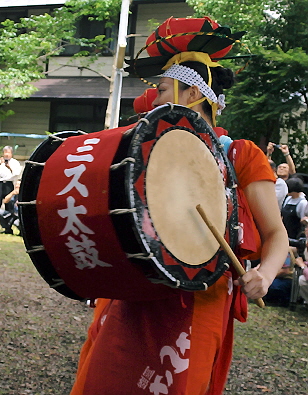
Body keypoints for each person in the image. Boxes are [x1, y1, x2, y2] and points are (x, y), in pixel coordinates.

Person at [70, 17, 288, 395]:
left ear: (192, 94)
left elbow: (276, 233)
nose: (153, 99)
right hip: (138, 290)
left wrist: (265, 275)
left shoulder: (240, 154)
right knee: (107, 379)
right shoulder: (144, 147)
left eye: (162, 88)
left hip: (200, 300)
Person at [0, 146, 21, 232]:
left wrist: (9, 166)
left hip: (9, 184)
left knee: (9, 205)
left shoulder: (15, 162)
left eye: (8, 152)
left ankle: (8, 227)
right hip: (0, 183)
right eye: (5, 152)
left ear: (11, 153)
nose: (6, 154)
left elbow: (16, 173)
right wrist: (0, 163)